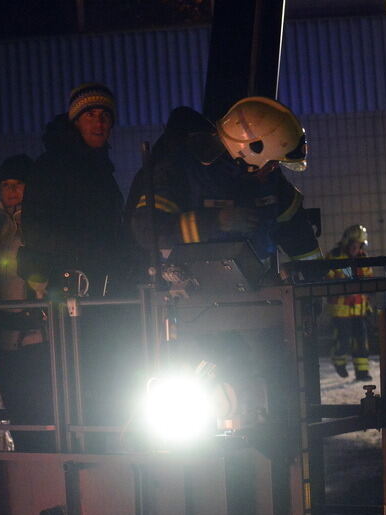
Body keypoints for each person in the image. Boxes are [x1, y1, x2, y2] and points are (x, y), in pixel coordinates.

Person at [128, 97, 321, 271]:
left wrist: (317, 282)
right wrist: (216, 221)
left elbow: (299, 237)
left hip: (262, 294)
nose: (274, 168)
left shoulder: (271, 180)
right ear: (249, 150)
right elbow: (146, 229)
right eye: (272, 161)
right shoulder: (179, 170)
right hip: (192, 297)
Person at [19, 82, 135, 298]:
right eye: (90, 114)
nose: (99, 122)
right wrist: (89, 247)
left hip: (103, 286)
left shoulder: (101, 167)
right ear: (76, 121)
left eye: (105, 116)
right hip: (68, 288)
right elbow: (35, 229)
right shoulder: (51, 166)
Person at [0, 153, 52, 449]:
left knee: (43, 410)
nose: (13, 190)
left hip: (38, 336)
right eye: (6, 184)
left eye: (19, 184)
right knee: (15, 409)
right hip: (4, 336)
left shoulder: (40, 220)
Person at [327, 224, 373, 381]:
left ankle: (362, 373)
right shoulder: (333, 257)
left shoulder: (363, 259)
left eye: (359, 245)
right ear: (346, 242)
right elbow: (327, 280)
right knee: (344, 340)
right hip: (340, 310)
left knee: (361, 341)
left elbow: (368, 280)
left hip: (359, 309)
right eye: (354, 244)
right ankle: (338, 361)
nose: (356, 248)